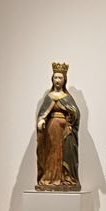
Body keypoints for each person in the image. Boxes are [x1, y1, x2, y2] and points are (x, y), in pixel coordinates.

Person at [35, 61, 81, 191]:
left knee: (65, 153)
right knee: (52, 153)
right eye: (55, 77)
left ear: (64, 79)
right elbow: (42, 114)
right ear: (52, 79)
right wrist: (41, 120)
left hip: (64, 131)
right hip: (51, 130)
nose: (57, 80)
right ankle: (49, 178)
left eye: (60, 77)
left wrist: (72, 116)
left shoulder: (67, 98)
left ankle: (66, 178)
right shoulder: (49, 97)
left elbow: (76, 113)